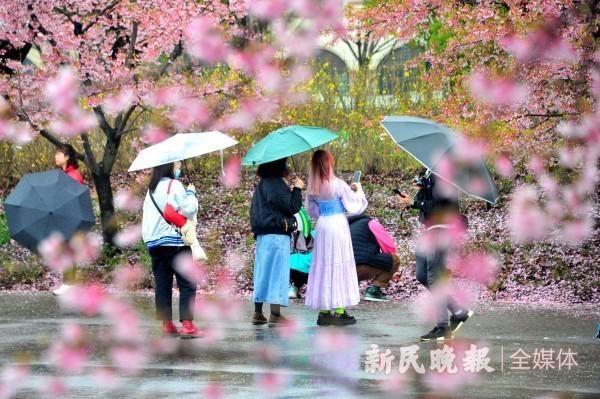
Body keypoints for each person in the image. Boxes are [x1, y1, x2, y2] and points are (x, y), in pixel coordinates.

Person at [397, 170, 473, 341]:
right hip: (430, 231)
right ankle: (458, 311)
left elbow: (442, 208)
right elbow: (427, 203)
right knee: (422, 275)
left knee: (434, 277)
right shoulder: (429, 173)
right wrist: (419, 191)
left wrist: (416, 203)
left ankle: (442, 327)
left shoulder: (446, 174)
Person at [305, 150, 367, 326]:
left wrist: (323, 210)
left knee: (324, 264)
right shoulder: (338, 184)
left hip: (323, 225)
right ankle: (340, 311)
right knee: (338, 262)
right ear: (328, 164)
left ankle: (324, 312)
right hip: (338, 225)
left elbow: (311, 211)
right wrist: (357, 189)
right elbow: (354, 205)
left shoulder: (312, 188)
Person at [142, 161, 202, 338]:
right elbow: (189, 210)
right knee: (187, 282)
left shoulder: (151, 189)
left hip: (155, 243)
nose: (179, 167)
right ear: (169, 167)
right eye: (177, 164)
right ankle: (188, 325)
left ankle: (166, 323)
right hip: (175, 242)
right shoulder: (174, 185)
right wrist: (191, 192)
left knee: (162, 283)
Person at [250, 157, 304, 326]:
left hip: (263, 236)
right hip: (276, 235)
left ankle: (258, 313)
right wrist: (297, 189)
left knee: (262, 272)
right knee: (277, 273)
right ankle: (275, 315)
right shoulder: (275, 183)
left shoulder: (262, 184)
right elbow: (291, 206)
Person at [52, 144, 85, 295]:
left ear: (67, 157)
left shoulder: (74, 176)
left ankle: (69, 283)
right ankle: (68, 283)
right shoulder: (64, 175)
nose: (56, 156)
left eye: (59, 154)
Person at [348, 214, 401, 302]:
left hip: (341, 271)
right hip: (359, 269)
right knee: (394, 260)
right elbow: (388, 247)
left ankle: (350, 291)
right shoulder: (371, 223)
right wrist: (389, 269)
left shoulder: (347, 226)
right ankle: (373, 291)